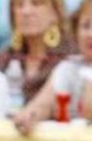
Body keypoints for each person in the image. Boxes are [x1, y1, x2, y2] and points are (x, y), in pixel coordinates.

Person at [12, 0, 92, 131]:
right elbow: (43, 104)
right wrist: (31, 115)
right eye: (85, 26)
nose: (90, 34)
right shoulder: (68, 68)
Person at [0, 0, 73, 105]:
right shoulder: (3, 59)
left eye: (36, 3)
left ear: (55, 13)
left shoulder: (71, 58)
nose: (26, 12)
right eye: (19, 5)